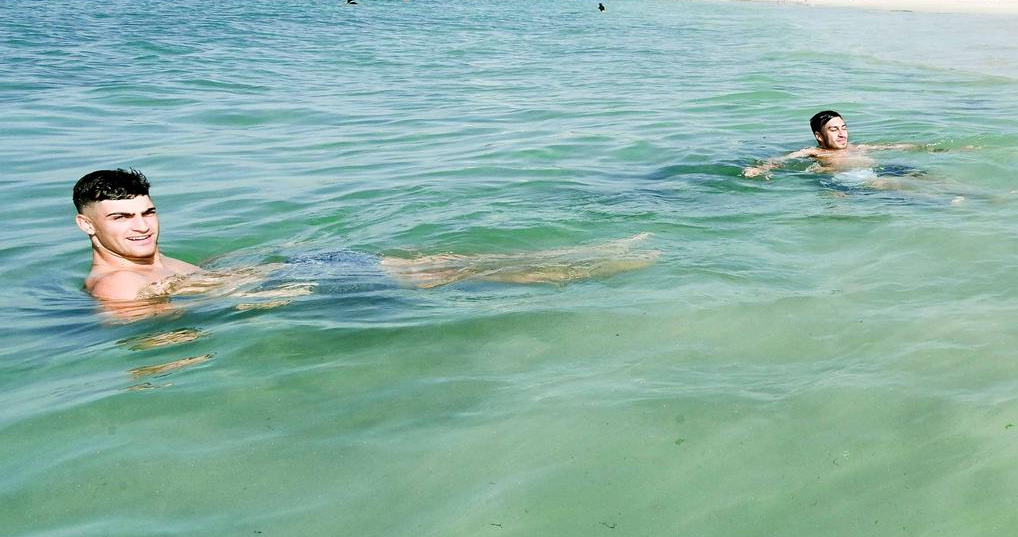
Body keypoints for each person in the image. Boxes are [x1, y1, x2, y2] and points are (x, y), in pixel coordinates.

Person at [72, 168, 657, 313]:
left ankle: (595, 261)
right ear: (87, 225)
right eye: (122, 218)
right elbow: (160, 342)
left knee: (447, 263)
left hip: (304, 266)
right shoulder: (119, 284)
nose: (143, 225)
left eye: (147, 211)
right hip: (302, 275)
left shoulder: (145, 263)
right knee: (450, 270)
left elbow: (198, 296)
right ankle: (602, 264)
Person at [742, 110, 949, 188]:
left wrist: (935, 150)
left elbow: (895, 146)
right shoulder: (815, 152)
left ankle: (971, 196)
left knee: (926, 175)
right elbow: (783, 158)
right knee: (890, 185)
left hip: (881, 168)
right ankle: (942, 203)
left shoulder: (857, 147)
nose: (842, 134)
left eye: (844, 128)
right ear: (819, 136)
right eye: (833, 129)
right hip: (855, 177)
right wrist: (761, 169)